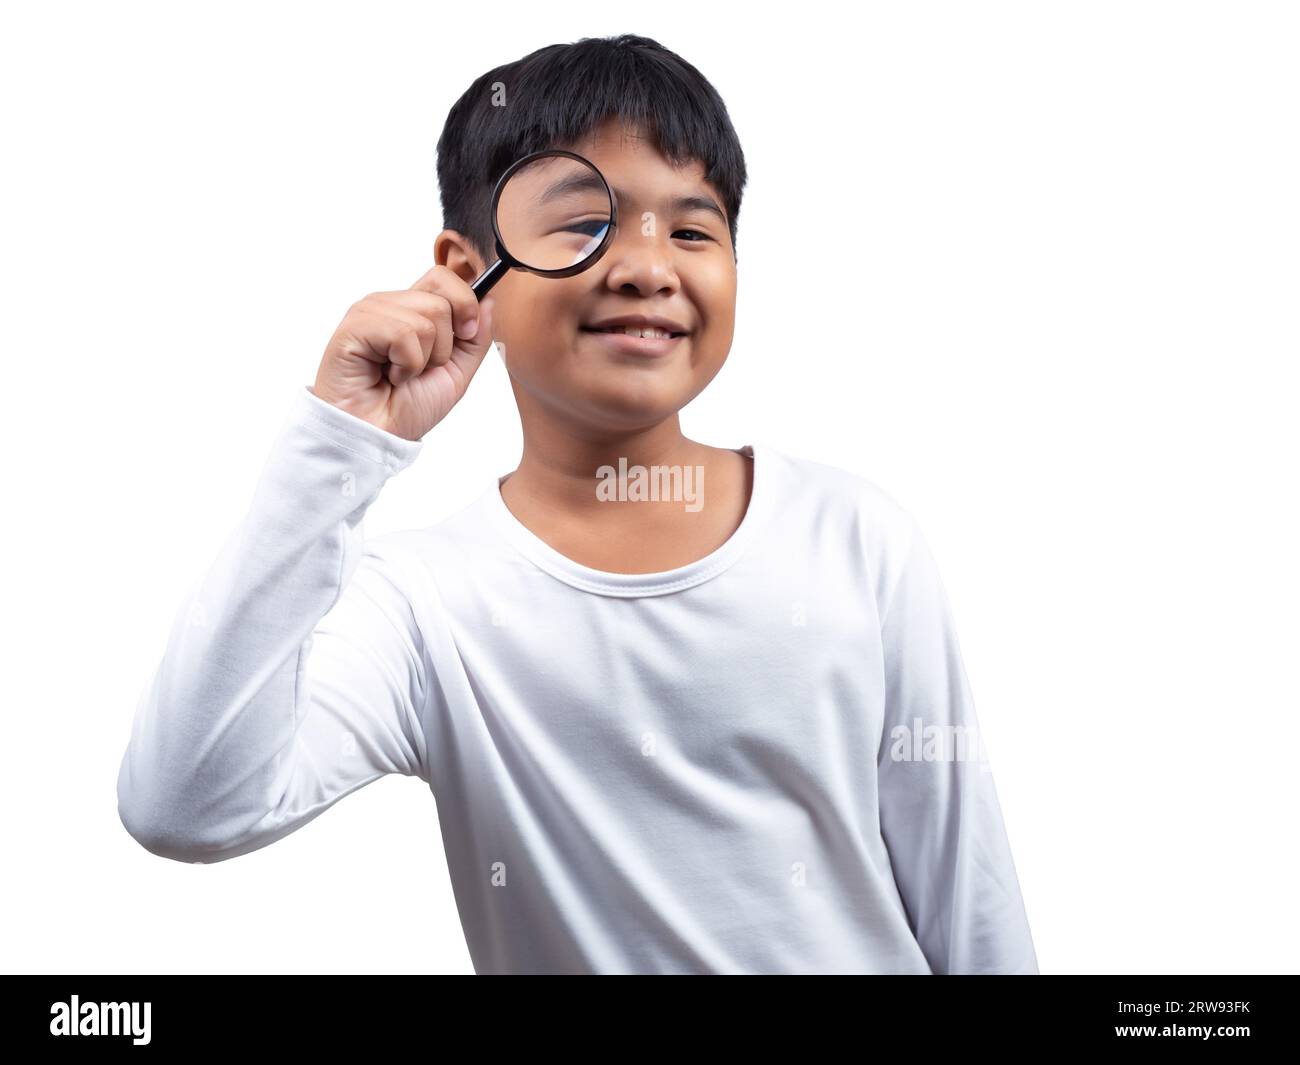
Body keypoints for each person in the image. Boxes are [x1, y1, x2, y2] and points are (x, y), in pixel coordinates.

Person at [116, 33, 1038, 975]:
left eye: (691, 229)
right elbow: (187, 802)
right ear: (464, 267)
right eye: (584, 224)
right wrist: (340, 442)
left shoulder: (857, 538)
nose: (647, 267)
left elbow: (969, 897)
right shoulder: (425, 603)